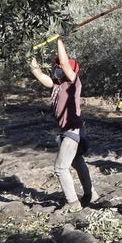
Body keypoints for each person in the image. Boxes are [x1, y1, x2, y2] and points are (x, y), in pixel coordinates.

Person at [29, 37, 97, 212]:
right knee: (77, 162)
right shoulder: (56, 85)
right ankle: (91, 194)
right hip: (69, 131)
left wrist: (58, 39)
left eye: (60, 67)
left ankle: (73, 203)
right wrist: (30, 55)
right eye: (57, 67)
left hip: (73, 131)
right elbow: (38, 74)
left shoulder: (74, 83)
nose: (57, 69)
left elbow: (66, 63)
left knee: (60, 168)